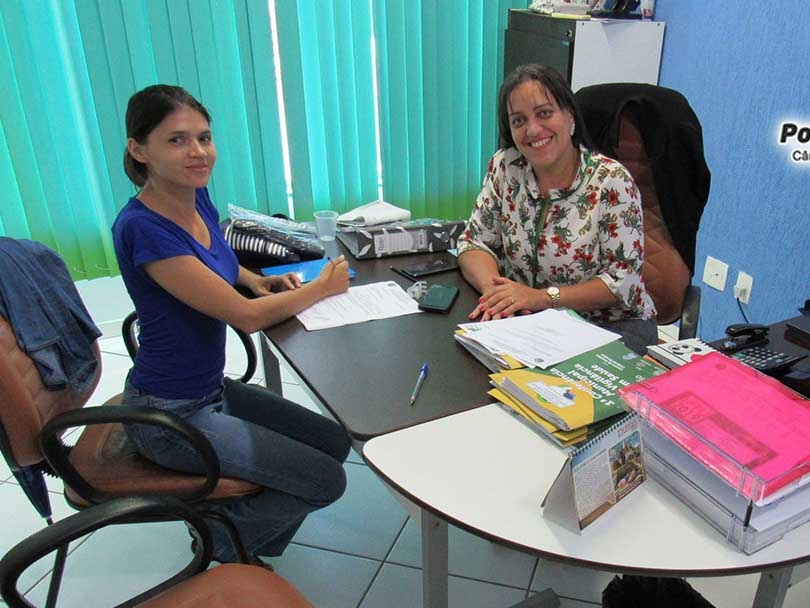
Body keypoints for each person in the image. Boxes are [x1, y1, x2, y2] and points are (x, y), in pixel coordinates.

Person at [112, 84, 352, 565]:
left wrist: (253, 280)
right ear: (140, 151)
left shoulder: (194, 196)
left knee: (335, 441)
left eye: (204, 137)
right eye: (177, 140)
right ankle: (222, 541)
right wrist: (321, 287)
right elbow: (242, 317)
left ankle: (240, 514)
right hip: (171, 413)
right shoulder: (143, 227)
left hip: (208, 389)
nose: (198, 152)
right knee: (326, 479)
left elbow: (217, 260)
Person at [457, 64, 657, 354]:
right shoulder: (507, 167)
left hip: (610, 327)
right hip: (533, 323)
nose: (533, 130)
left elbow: (622, 282)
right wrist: (498, 294)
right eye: (518, 120)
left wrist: (541, 298)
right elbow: (474, 242)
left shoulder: (611, 182)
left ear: (570, 116)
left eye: (544, 113)